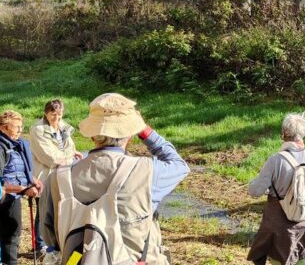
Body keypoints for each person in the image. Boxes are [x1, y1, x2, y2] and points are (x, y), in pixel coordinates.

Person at [40, 93, 189, 264]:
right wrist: (145, 131)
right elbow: (180, 165)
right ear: (131, 134)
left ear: (92, 135)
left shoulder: (57, 178)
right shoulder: (147, 171)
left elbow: (50, 237)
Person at [247, 113, 305, 265]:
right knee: (304, 261)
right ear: (303, 134)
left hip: (280, 228)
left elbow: (254, 191)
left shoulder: (275, 160)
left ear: (284, 134)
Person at [29, 99, 82, 252]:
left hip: (64, 175)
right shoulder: (38, 129)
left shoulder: (63, 127)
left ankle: (56, 243)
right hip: (45, 175)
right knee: (44, 210)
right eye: (53, 114)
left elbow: (70, 147)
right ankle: (39, 245)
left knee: (62, 209)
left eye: (59, 114)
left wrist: (69, 155)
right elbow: (48, 157)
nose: (56, 118)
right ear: (46, 113)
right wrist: (68, 157)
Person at [0, 110, 43, 265]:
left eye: (21, 126)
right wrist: (23, 189)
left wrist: (33, 180)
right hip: (5, 197)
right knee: (10, 234)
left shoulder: (17, 144)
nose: (20, 129)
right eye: (16, 126)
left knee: (12, 232)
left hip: (13, 197)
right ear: (3, 128)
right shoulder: (1, 147)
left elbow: (19, 169)